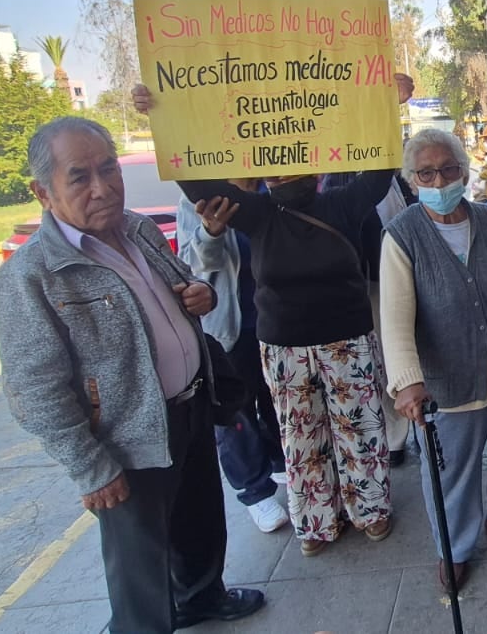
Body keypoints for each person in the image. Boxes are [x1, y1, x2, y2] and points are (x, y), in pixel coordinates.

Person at [0, 117, 265, 633]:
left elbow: (183, 287)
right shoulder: (30, 277)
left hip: (189, 406)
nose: (103, 187)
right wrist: (91, 467)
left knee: (199, 522)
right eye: (80, 177)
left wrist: (197, 297)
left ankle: (202, 598)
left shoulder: (137, 229)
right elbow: (34, 391)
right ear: (42, 192)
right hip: (127, 440)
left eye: (108, 168)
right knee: (140, 570)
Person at [131, 84, 396, 558]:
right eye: (273, 160)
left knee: (360, 430)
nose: (283, 167)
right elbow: (197, 183)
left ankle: (370, 510)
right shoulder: (253, 214)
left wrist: (385, 103)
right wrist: (162, 120)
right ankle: (315, 521)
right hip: (284, 350)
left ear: (315, 162)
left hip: (347, 342)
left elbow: (380, 167)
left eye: (295, 156)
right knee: (301, 435)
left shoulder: (343, 200)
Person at [381, 129, 487, 593]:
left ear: (464, 171)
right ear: (413, 181)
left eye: (449, 168)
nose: (439, 178)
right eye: (427, 172)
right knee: (452, 472)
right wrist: (408, 382)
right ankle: (454, 548)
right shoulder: (402, 235)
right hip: (446, 379)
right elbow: (394, 319)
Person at [176, 179, 291, 534]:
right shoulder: (194, 197)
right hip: (230, 324)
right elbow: (189, 265)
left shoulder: (275, 186)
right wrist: (211, 231)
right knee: (235, 413)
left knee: (278, 398)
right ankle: (254, 491)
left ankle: (279, 459)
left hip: (279, 318)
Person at [319, 72, 420, 467]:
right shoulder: (324, 180)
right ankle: (371, 440)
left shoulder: (387, 175)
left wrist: (386, 106)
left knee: (394, 350)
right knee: (362, 362)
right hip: (347, 284)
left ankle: (395, 437)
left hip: (388, 276)